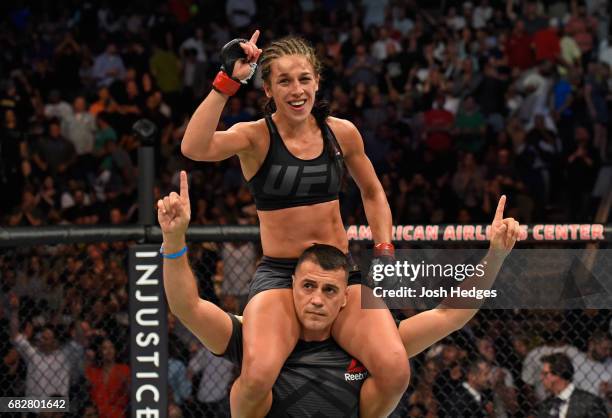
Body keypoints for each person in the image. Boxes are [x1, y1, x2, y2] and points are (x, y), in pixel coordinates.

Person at [158, 171, 520, 416]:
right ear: (291, 289)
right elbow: (186, 307)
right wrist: (174, 241)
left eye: (329, 289)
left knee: (395, 370)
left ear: (345, 297)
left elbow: (449, 315)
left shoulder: (369, 346)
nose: (316, 298)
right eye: (308, 286)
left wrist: (496, 257)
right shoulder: (255, 341)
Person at [180, 30, 407, 417]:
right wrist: (228, 81)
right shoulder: (255, 137)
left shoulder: (342, 132)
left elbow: (373, 192)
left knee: (395, 369)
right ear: (267, 89)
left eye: (304, 79)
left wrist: (384, 249)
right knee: (257, 377)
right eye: (283, 81)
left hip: (339, 274)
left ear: (317, 82)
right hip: (281, 277)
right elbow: (195, 147)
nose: (296, 89)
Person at [536, 353, 607, 418]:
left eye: (545, 374)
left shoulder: (590, 402)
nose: (541, 378)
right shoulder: (545, 405)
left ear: (558, 374)